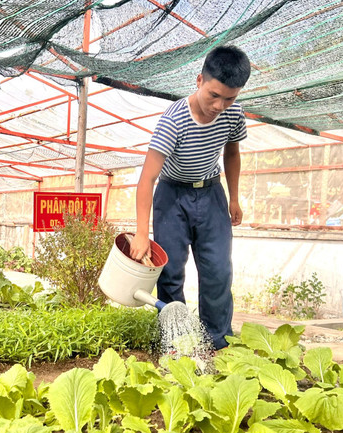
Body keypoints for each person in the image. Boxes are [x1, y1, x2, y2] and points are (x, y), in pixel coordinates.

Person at [129, 45, 250, 350]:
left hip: (211, 193)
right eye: (214, 95)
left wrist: (234, 198)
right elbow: (147, 178)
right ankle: (177, 343)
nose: (220, 105)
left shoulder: (233, 113)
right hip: (172, 195)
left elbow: (232, 151)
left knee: (218, 272)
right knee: (170, 273)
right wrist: (142, 233)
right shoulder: (173, 121)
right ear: (199, 81)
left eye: (229, 97)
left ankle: (218, 342)